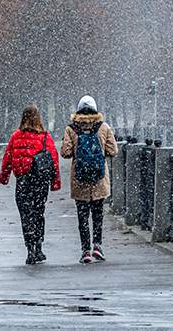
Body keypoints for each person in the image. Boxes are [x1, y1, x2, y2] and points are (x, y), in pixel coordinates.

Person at [0, 105, 61, 264]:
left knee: (26, 215)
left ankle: (30, 249)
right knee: (39, 213)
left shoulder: (16, 136)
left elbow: (7, 158)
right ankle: (39, 246)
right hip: (40, 181)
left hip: (23, 181)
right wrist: (55, 182)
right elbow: (53, 160)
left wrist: (4, 177)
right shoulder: (45, 137)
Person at [61, 95, 118, 264]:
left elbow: (65, 152)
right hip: (99, 179)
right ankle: (97, 246)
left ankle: (85, 250)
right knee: (98, 214)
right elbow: (113, 151)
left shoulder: (71, 129)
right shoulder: (104, 127)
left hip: (79, 179)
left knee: (83, 215)